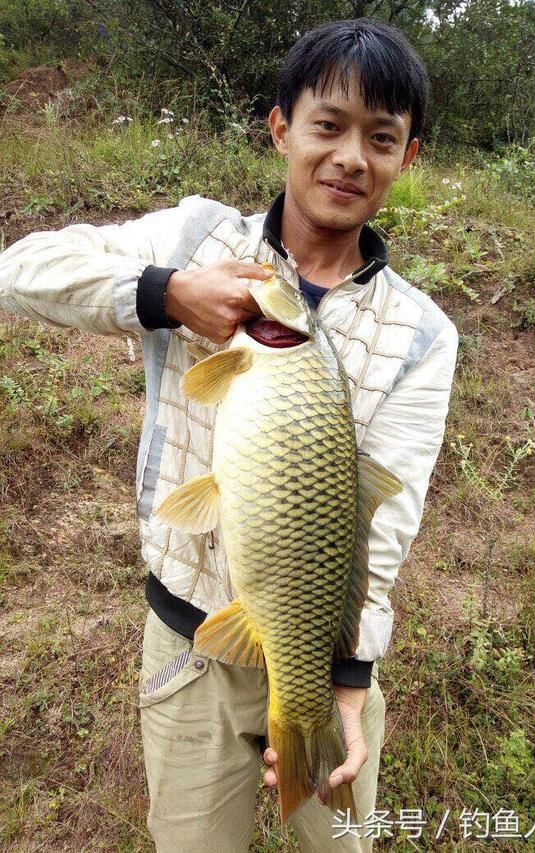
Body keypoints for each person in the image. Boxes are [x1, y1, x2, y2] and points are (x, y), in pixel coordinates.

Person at [0, 17, 459, 853]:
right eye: (328, 126)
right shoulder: (192, 238)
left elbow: (384, 523)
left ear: (407, 158)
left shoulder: (424, 332)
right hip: (191, 642)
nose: (351, 157)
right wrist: (165, 292)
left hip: (323, 651)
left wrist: (348, 686)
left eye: (381, 138)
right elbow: (19, 270)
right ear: (282, 127)